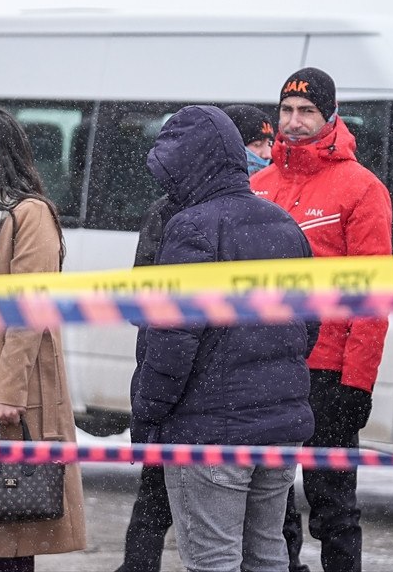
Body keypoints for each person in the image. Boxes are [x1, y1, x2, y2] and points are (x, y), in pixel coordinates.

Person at [131, 105, 315, 572]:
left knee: (212, 558)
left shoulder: (190, 228)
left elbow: (171, 341)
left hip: (209, 429)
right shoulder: (283, 223)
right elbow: (309, 323)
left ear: (189, 166)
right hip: (279, 424)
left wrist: (149, 413)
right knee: (267, 552)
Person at [251, 68, 392, 572]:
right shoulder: (258, 185)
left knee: (333, 506)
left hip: (328, 373)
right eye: (287, 110)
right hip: (266, 368)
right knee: (271, 504)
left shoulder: (361, 188)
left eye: (307, 111)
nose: (294, 122)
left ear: (330, 116)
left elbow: (372, 297)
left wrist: (358, 381)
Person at [0, 106, 87, 572]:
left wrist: (8, 393)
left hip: (14, 388)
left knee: (7, 522)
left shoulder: (30, 213)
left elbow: (30, 310)